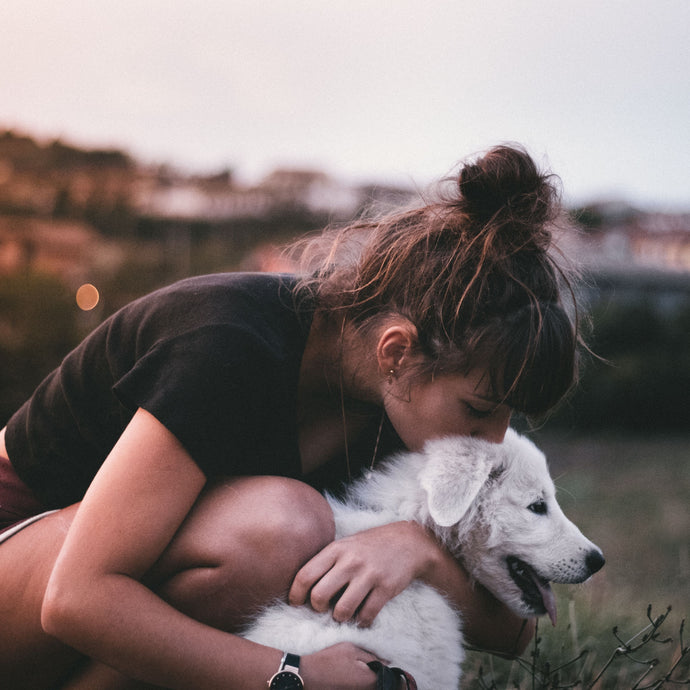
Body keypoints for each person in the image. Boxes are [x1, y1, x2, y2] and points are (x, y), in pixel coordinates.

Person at [0, 144, 581, 690]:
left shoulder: (401, 407)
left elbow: (514, 632)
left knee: (290, 530)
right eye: (480, 409)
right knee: (283, 527)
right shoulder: (227, 344)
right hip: (23, 561)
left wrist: (418, 551)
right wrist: (294, 674)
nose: (494, 438)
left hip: (74, 611)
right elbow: (75, 598)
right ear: (397, 353)